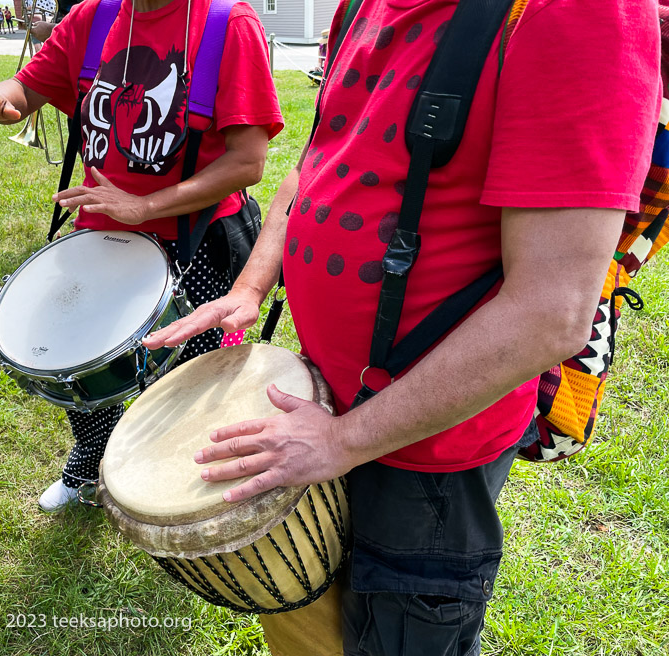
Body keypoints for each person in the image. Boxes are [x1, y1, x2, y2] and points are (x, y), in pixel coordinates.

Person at [143, 0, 661, 654]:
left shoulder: (575, 13)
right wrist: (251, 285)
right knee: (319, 624)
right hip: (323, 404)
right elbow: (316, 163)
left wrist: (345, 440)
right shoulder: (361, 4)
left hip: (427, 452)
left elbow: (549, 312)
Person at [0, 0, 283, 512]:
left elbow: (248, 160)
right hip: (101, 236)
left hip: (197, 239)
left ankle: (181, 490)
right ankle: (91, 461)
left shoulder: (229, 24)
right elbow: (27, 88)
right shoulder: (93, 17)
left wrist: (145, 205)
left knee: (194, 381)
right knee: (79, 364)